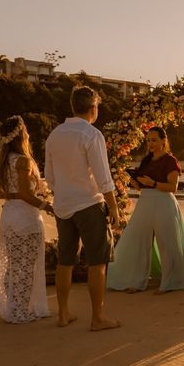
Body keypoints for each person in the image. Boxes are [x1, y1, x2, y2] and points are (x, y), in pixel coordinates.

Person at [44, 86, 121, 331]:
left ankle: (63, 314)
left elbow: (50, 176)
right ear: (93, 108)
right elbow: (103, 176)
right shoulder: (91, 134)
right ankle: (97, 318)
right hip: (88, 204)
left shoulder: (55, 134)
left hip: (63, 205)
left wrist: (63, 194)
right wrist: (114, 208)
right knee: (97, 262)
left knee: (65, 261)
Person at [107, 126, 184, 294]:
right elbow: (142, 187)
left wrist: (153, 184)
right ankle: (134, 280)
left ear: (163, 141)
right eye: (148, 140)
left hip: (164, 202)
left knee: (167, 243)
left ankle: (171, 283)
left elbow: (173, 187)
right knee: (136, 240)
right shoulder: (147, 160)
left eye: (154, 140)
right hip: (146, 202)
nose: (150, 143)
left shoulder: (170, 161)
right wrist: (134, 183)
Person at [0, 115, 52, 324]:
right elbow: (25, 193)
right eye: (26, 131)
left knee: (14, 264)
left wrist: (10, 196)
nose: (29, 134)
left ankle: (13, 307)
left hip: (9, 215)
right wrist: (46, 206)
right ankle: (21, 311)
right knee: (26, 265)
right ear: (21, 135)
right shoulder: (23, 161)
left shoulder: (3, 161)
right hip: (26, 218)